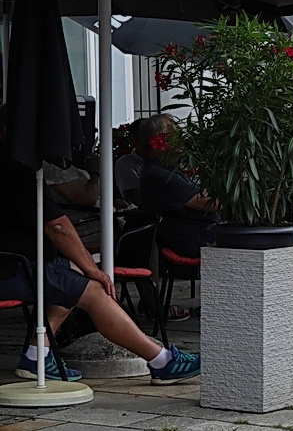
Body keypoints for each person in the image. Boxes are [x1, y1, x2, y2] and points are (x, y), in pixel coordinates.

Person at [0, 120, 201, 385]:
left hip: (17, 263)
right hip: (12, 269)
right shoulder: (17, 170)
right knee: (93, 289)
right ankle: (162, 360)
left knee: (69, 273)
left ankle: (38, 352)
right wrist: (92, 269)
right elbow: (57, 225)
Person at [132, 113, 221, 258]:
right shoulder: (159, 175)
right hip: (193, 238)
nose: (182, 140)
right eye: (176, 135)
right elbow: (211, 204)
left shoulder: (164, 170)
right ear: (159, 140)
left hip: (199, 232)